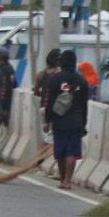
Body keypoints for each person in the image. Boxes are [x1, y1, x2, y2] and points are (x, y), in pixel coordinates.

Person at [43, 50, 90, 190]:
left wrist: (47, 120)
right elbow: (84, 104)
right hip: (76, 120)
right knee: (72, 152)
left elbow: (49, 102)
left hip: (59, 120)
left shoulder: (55, 79)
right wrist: (84, 122)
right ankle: (68, 180)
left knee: (60, 151)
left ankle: (62, 178)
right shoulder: (81, 80)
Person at [0, 50, 17, 127]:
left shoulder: (0, 69)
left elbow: (3, 87)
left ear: (0, 57)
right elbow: (14, 84)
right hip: (9, 101)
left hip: (1, 101)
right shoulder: (10, 68)